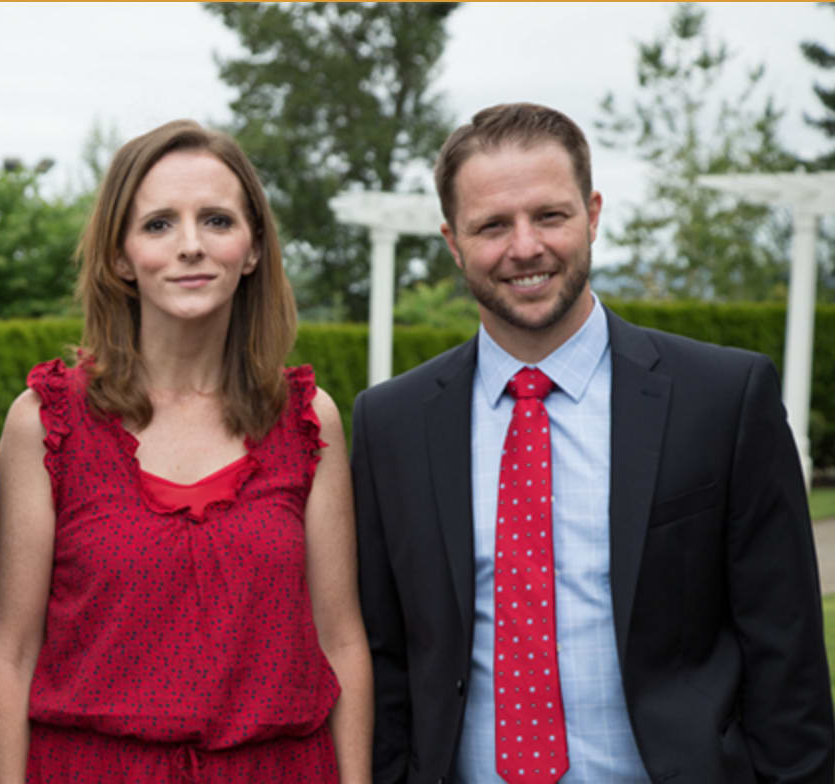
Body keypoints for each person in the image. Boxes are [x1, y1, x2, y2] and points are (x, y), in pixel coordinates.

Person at [352, 102, 834, 783]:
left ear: (593, 214)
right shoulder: (390, 424)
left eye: (550, 215)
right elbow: (385, 658)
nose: (525, 247)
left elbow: (788, 655)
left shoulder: (723, 399)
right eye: (493, 225)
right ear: (453, 243)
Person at [0, 119, 372, 783]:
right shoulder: (47, 422)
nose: (191, 245)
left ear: (253, 248)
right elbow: (9, 654)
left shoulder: (306, 421)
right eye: (159, 224)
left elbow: (342, 642)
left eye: (217, 220)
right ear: (120, 256)